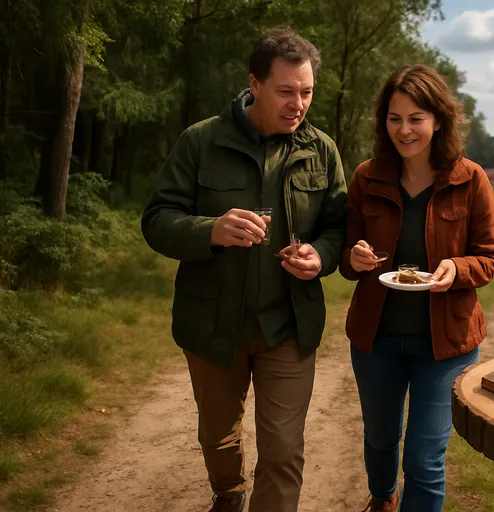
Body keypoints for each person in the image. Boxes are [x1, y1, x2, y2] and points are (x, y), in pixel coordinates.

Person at [141, 27, 347, 512]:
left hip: (289, 326)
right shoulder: (200, 141)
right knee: (217, 436)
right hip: (213, 325)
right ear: (254, 84)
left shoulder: (322, 150)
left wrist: (321, 256)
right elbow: (157, 220)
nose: (298, 104)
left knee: (283, 451)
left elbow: (338, 227)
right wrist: (210, 230)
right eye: (286, 91)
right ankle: (228, 493)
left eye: (307, 92)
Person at [339, 64, 494, 512]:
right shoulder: (366, 177)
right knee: (379, 439)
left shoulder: (471, 178)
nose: (404, 130)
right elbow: (346, 255)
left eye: (416, 119)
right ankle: (382, 498)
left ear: (438, 120)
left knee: (425, 460)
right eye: (395, 118)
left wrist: (456, 268)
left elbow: (490, 258)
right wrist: (354, 258)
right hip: (376, 338)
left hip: (445, 343)